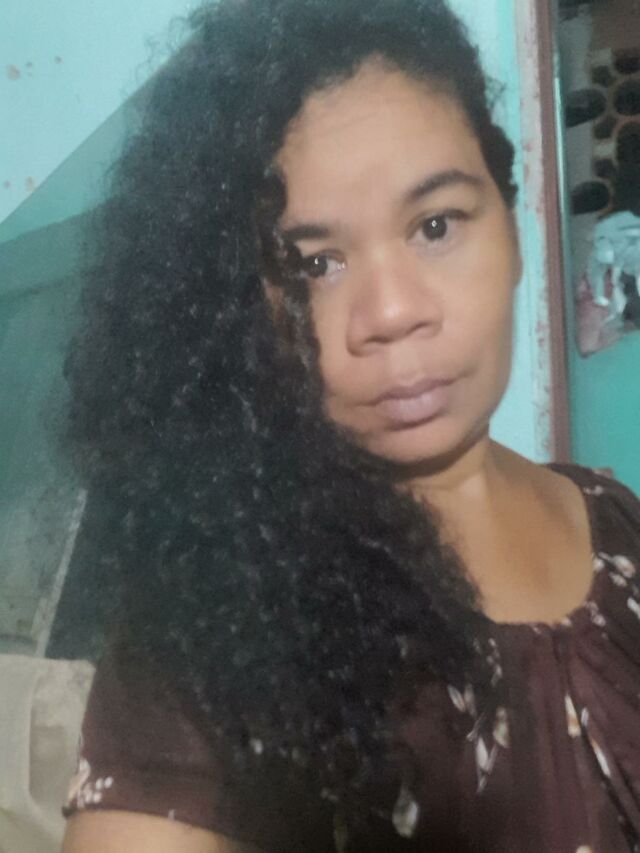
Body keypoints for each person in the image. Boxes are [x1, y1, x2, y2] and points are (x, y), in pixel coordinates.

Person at [61, 0, 640, 850]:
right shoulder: (214, 620)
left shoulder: (615, 520)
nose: (392, 312)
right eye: (315, 264)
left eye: (436, 225)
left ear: (514, 231)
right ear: (243, 308)